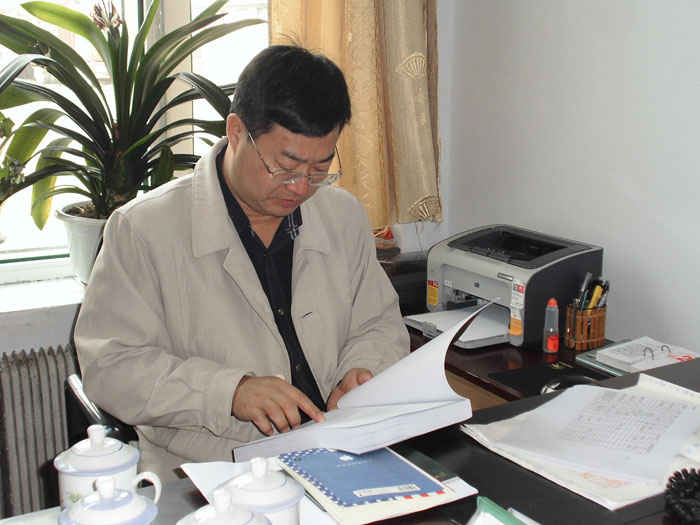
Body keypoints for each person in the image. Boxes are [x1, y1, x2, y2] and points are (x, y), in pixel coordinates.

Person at [74, 45, 410, 481]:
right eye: (285, 165)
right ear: (236, 131)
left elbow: (379, 323)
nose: (301, 187)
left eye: (320, 167)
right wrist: (229, 392)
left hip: (338, 454)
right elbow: (111, 368)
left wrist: (362, 370)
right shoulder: (143, 229)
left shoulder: (341, 215)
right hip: (209, 472)